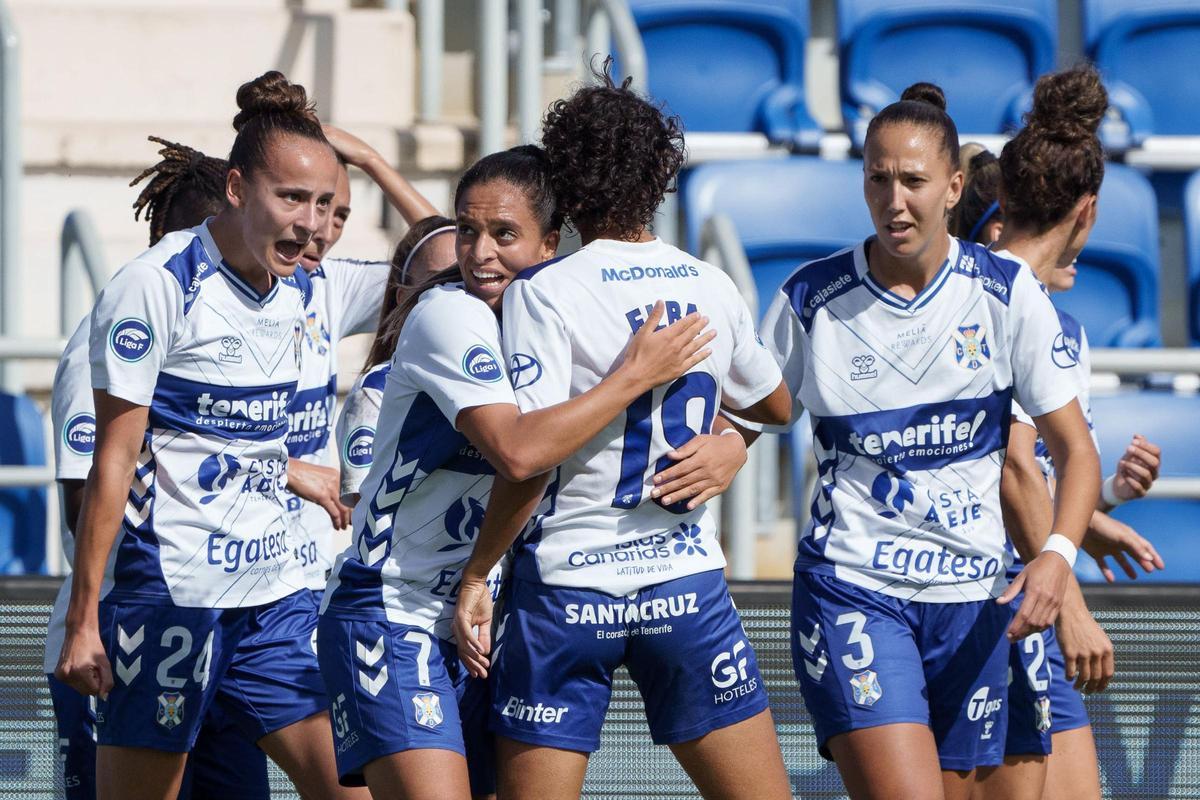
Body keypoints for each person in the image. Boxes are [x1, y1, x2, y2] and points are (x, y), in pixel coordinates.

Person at [318, 144, 742, 800]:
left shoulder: (550, 315)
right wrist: (633, 375)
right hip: (394, 610)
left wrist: (733, 444)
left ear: (549, 244)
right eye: (468, 231)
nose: (480, 252)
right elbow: (519, 455)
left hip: (482, 621)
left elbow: (733, 404)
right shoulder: (449, 315)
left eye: (503, 235)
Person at [745, 82, 1099, 800]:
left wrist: (1060, 557)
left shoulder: (1005, 293)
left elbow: (1072, 452)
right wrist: (727, 441)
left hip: (971, 599)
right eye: (879, 179)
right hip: (855, 588)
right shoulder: (810, 297)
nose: (894, 200)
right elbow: (757, 410)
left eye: (913, 181)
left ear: (954, 187)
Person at [453, 68, 795, 800]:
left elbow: (527, 462)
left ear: (564, 188)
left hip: (569, 591)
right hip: (684, 583)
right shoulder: (708, 282)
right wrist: (734, 441)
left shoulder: (547, 291)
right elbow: (778, 406)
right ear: (661, 177)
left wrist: (478, 573)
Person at [54, 70, 364, 800]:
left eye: (325, 205)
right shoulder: (157, 286)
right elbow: (112, 463)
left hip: (273, 599)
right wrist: (83, 620)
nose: (313, 223)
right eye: (293, 199)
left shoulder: (298, 287)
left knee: (355, 786)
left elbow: (435, 258)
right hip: (171, 599)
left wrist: (374, 162)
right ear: (235, 190)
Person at [47, 137, 273, 800]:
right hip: (126, 642)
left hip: (218, 633)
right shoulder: (111, 336)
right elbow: (80, 496)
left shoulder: (245, 332)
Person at [961, 67, 1164, 800]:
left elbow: (1028, 467)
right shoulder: (1002, 299)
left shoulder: (1050, 321)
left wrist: (1097, 510)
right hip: (986, 605)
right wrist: (1072, 606)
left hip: (1024, 597)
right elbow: (1014, 467)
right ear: (1089, 211)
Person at [281, 124, 441, 602]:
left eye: (339, 212)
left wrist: (373, 162)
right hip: (222, 571)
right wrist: (285, 468)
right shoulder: (201, 299)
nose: (322, 228)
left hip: (303, 574)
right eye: (314, 203)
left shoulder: (331, 286)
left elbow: (444, 259)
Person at [337, 214, 456, 508]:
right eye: (437, 283)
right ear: (403, 297)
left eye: (464, 280)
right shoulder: (376, 390)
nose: (454, 296)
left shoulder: (506, 377)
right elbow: (363, 503)